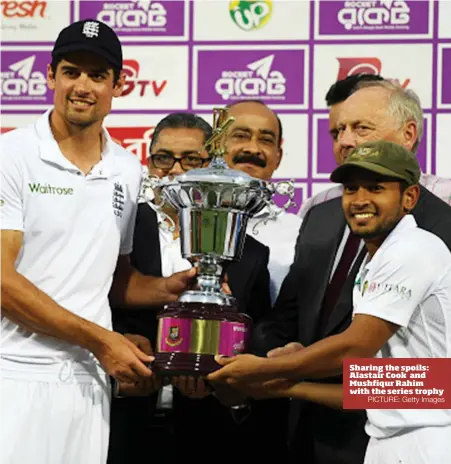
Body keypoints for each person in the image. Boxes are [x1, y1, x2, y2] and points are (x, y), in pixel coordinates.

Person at [222, 82, 451, 462]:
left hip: (421, 442)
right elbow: (404, 385)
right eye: (351, 188)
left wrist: (268, 370)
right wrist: (286, 384)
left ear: (408, 196)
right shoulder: (362, 241)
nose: (360, 199)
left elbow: (358, 347)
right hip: (375, 435)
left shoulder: (419, 245)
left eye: (375, 187)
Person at [0, 20, 195, 464]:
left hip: (89, 381)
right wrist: (101, 340)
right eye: (71, 72)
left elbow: (114, 277)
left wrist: (172, 287)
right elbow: (3, 284)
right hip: (15, 373)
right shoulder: (10, 156)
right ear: (50, 76)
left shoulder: (127, 170)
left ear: (118, 85)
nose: (82, 86)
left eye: (97, 75)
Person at [108, 112, 273, 463]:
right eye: (164, 157)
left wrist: (224, 375)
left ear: (211, 166)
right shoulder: (116, 233)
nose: (176, 169)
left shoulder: (249, 251)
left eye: (192, 159)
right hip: (119, 417)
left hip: (206, 428)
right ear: (150, 163)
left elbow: (258, 331)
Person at [299, 75, 451, 218]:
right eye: (340, 130)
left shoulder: (445, 200)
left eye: (362, 128)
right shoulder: (317, 208)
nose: (344, 141)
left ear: (408, 135)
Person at [224, 100, 303, 304]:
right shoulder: (186, 222)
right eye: (240, 136)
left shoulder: (299, 233)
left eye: (266, 140)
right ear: (214, 145)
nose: (253, 148)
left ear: (278, 157)